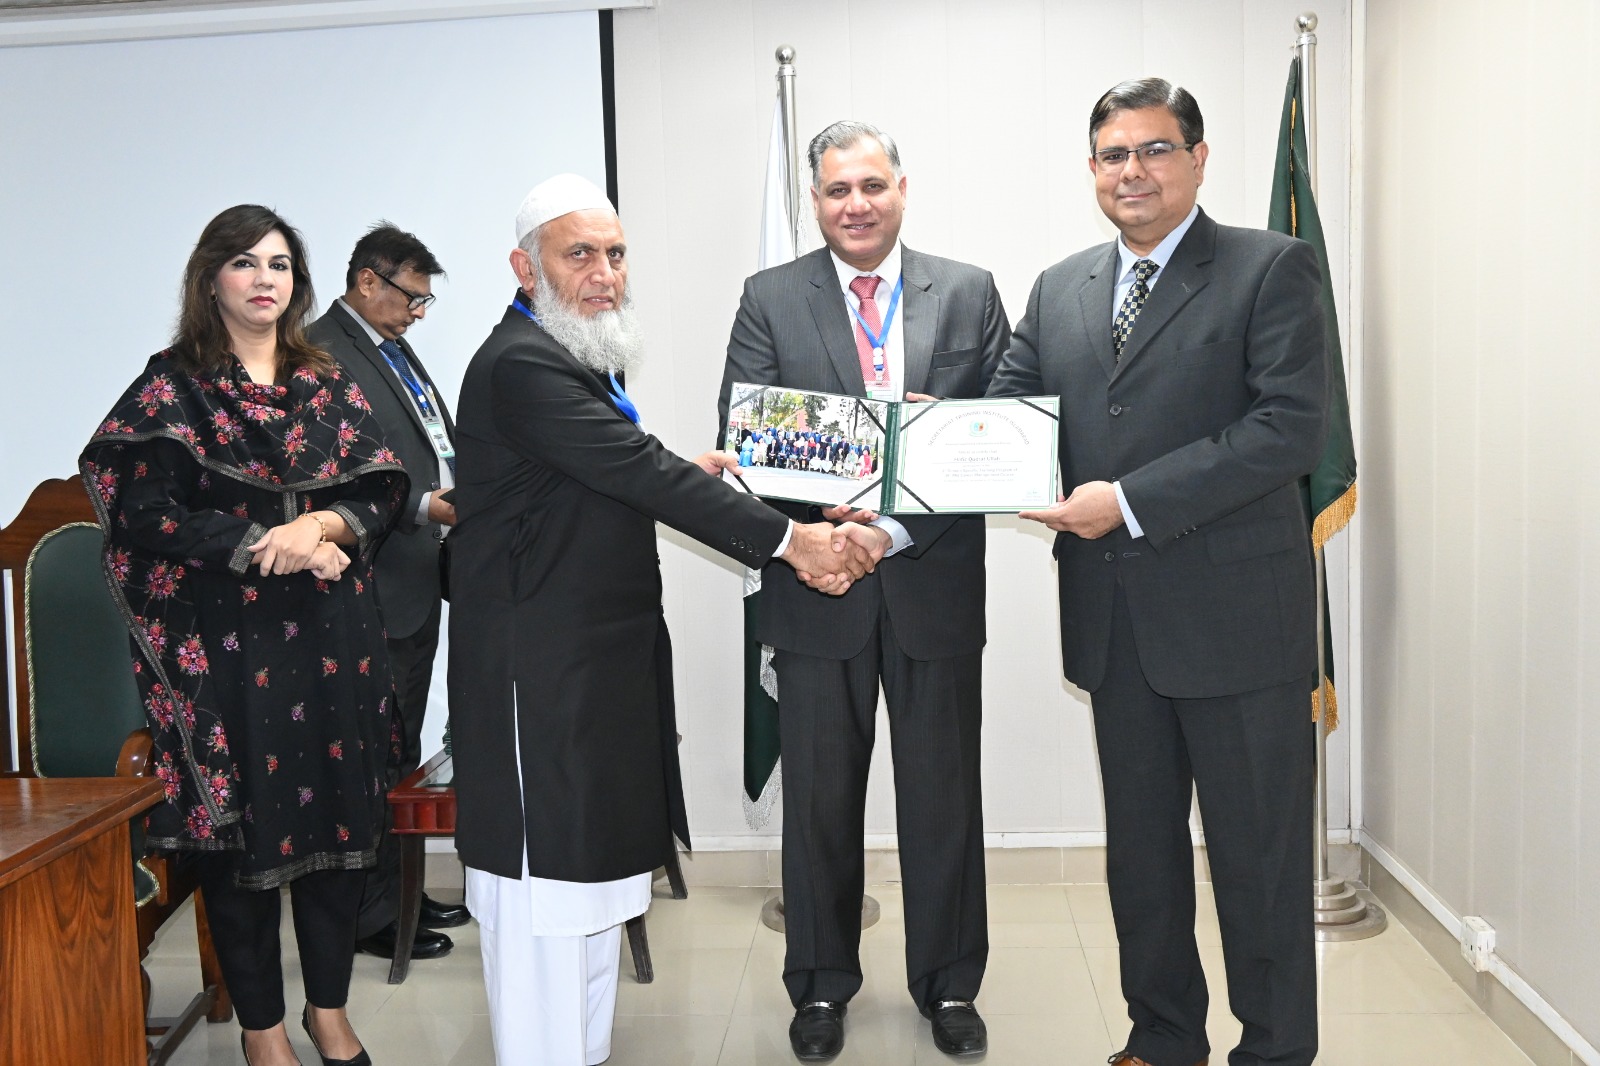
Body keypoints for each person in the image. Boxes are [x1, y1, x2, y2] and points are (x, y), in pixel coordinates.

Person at [447, 173, 887, 1066]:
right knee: (545, 908)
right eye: (579, 254)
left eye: (615, 254)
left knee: (591, 896)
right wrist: (793, 541)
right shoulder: (522, 364)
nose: (605, 273)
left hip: (589, 668)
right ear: (524, 268)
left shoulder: (572, 355)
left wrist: (683, 470)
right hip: (539, 678)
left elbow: (603, 472)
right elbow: (634, 470)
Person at [988, 78, 1330, 1066]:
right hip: (1115, 625)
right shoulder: (1061, 287)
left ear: (1198, 158)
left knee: (1258, 861)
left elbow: (1287, 429)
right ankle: (1163, 1036)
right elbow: (1010, 412)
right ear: (1091, 169)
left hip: (1239, 626)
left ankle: (1273, 1051)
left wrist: (1128, 499)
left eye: (1153, 149)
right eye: (1112, 155)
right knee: (1141, 856)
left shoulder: (1270, 267)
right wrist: (923, 438)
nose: (1130, 171)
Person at [80, 204, 410, 1066]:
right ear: (210, 278)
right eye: (245, 263)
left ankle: (329, 1015)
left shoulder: (325, 379)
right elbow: (140, 509)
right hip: (227, 643)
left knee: (340, 830)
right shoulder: (173, 387)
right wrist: (269, 543)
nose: (265, 279)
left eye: (280, 264)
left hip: (332, 636)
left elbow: (384, 488)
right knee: (240, 842)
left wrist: (324, 528)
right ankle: (264, 1033)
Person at [716, 120, 1010, 1062]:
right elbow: (747, 437)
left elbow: (1002, 435)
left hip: (931, 583)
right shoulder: (770, 297)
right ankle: (818, 987)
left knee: (944, 802)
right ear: (815, 201)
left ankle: (950, 985)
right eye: (838, 190)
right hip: (816, 585)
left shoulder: (969, 292)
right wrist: (830, 534)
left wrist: (894, 520)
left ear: (902, 189)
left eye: (873, 185)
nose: (857, 205)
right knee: (820, 807)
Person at [307, 223, 469, 964]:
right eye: (412, 297)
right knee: (370, 751)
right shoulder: (321, 352)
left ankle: (402, 892)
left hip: (414, 578)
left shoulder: (391, 348)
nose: (418, 313)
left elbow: (426, 443)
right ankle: (369, 914)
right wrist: (425, 508)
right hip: (367, 584)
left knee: (401, 744)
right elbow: (334, 478)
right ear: (368, 280)